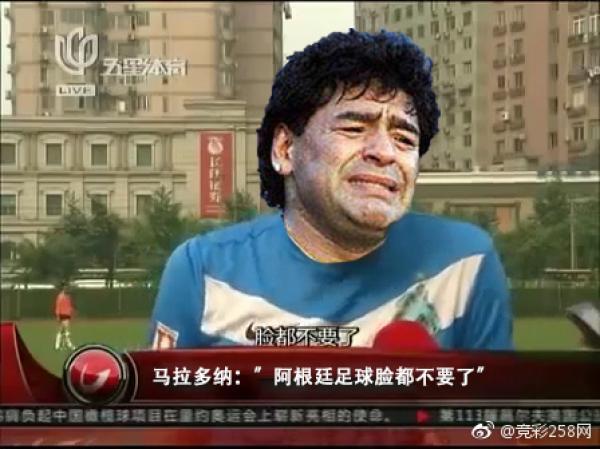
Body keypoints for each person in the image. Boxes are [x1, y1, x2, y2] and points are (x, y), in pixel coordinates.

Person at [149, 30, 513, 350]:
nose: (385, 152)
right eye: (354, 129)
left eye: (404, 138)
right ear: (285, 149)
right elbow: (159, 401)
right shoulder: (204, 270)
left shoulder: (464, 263)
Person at [54, 284, 75, 350]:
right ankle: (68, 344)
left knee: (62, 330)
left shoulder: (68, 297)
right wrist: (57, 315)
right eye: (66, 289)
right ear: (63, 289)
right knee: (65, 330)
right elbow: (58, 306)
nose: (67, 290)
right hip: (62, 315)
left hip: (67, 314)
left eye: (67, 289)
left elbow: (69, 305)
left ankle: (58, 345)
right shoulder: (60, 296)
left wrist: (71, 311)